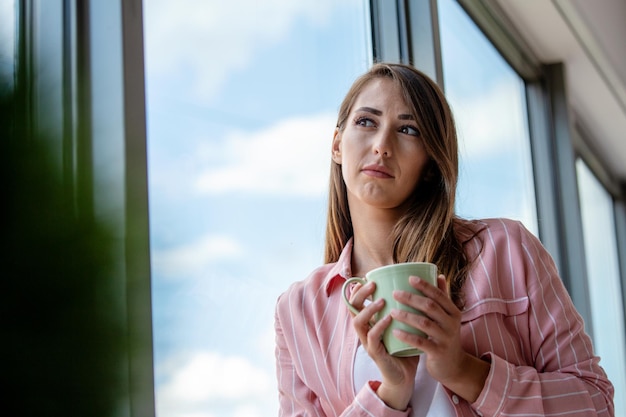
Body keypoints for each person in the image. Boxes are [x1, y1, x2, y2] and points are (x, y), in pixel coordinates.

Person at [274, 62, 614, 416]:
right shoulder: (298, 310)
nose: (382, 145)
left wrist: (462, 370)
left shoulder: (506, 249)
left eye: (408, 129)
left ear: (431, 165)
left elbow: (596, 403)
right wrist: (391, 392)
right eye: (366, 122)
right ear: (337, 145)